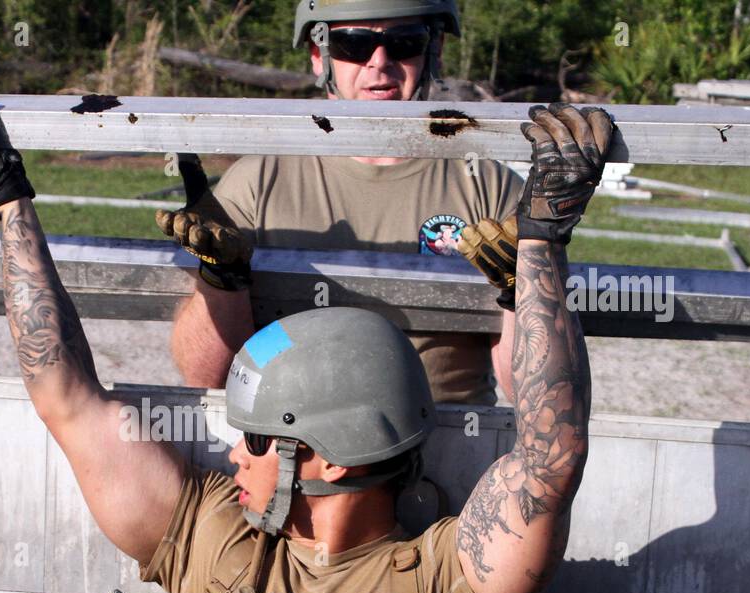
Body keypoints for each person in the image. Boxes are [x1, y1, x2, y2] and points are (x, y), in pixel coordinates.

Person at [0, 92, 614, 593]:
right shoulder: (211, 532)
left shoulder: (444, 577)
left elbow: (552, 453)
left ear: (332, 455)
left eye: (256, 437)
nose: (232, 456)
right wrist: (7, 200)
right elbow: (68, 399)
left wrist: (542, 247)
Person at [156, 0, 524, 405]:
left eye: (404, 42)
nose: (379, 63)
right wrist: (220, 279)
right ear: (320, 56)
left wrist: (518, 291)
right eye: (353, 45)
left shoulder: (488, 186)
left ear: (432, 52)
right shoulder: (258, 181)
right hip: (289, 445)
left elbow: (526, 393)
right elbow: (205, 376)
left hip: (443, 441)